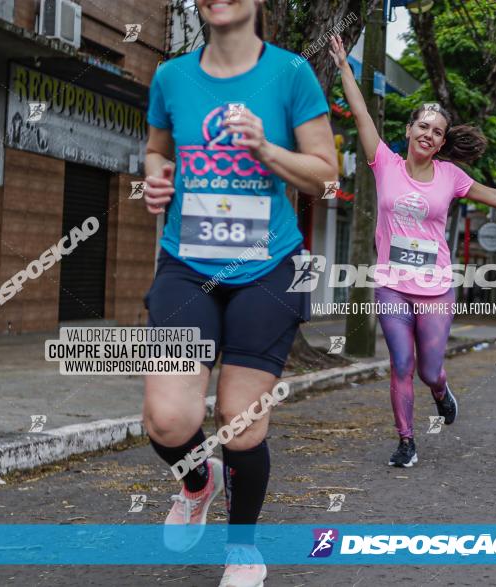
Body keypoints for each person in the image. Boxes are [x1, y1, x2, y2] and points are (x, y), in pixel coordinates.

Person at [141, 1, 337, 584]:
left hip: (269, 267)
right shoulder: (171, 76)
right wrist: (156, 176)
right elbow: (157, 148)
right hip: (186, 263)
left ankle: (243, 548)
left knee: (240, 419)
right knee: (168, 420)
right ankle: (198, 481)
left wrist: (267, 150)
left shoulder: (292, 73)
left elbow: (328, 177)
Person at [329, 35, 496, 467]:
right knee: (400, 363)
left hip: (434, 287)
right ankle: (406, 441)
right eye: (423, 126)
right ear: (409, 131)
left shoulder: (450, 176)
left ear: (441, 140)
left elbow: (492, 195)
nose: (429, 134)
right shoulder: (384, 163)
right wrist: (343, 68)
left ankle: (441, 390)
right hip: (392, 284)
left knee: (429, 369)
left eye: (437, 131)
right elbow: (359, 115)